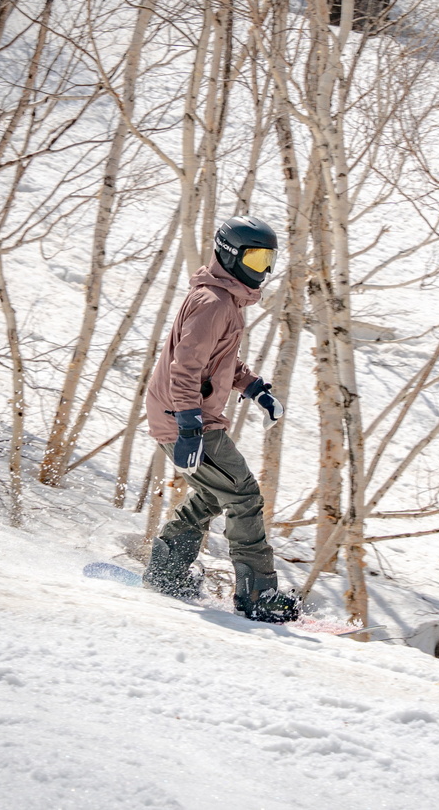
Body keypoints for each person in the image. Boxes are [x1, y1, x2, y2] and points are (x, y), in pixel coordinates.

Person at [143, 215, 300, 623]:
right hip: (185, 419)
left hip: (184, 416)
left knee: (217, 492)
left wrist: (254, 388)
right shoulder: (214, 304)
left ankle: (167, 569)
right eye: (256, 258)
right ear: (231, 255)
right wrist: (190, 428)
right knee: (244, 496)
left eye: (269, 259)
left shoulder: (224, 300)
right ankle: (257, 595)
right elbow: (185, 367)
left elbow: (218, 359)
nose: (262, 269)